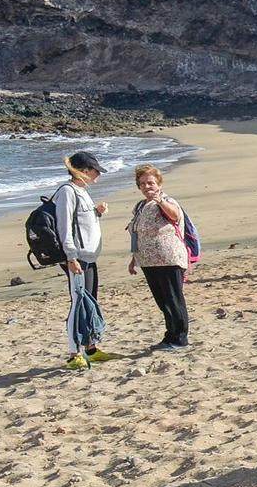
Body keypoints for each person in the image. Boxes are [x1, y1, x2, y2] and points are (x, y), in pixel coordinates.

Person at [53, 150, 116, 370]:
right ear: (83, 171)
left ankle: (90, 349)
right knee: (78, 304)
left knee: (90, 302)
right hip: (77, 258)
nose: (98, 174)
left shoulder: (82, 191)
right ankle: (74, 354)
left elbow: (81, 222)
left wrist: (96, 212)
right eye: (95, 170)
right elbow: (64, 227)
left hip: (89, 257)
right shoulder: (67, 191)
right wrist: (71, 257)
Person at [124, 165, 191, 350]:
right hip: (148, 261)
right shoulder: (140, 206)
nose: (147, 186)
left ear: (159, 184)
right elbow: (137, 233)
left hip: (168, 258)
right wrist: (134, 258)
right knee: (162, 302)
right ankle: (170, 336)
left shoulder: (167, 200)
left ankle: (180, 339)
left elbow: (176, 216)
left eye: (151, 182)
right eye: (143, 183)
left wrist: (160, 201)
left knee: (173, 299)